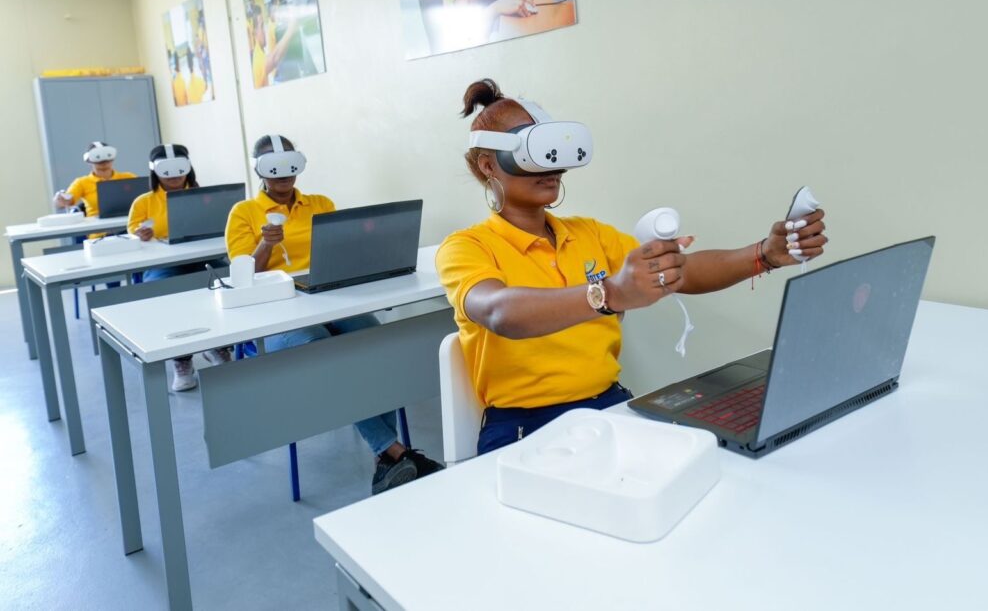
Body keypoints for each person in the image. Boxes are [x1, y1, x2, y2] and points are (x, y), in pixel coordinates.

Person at [436, 79, 830, 454]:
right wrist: (609, 293)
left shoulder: (589, 233)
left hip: (609, 406)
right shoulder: (467, 247)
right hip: (525, 427)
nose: (551, 165)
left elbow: (680, 272)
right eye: (533, 151)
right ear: (488, 166)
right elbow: (500, 312)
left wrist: (764, 254)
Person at [224, 134, 443, 494]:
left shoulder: (320, 203)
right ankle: (393, 452)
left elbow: (341, 250)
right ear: (258, 169)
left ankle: (387, 459)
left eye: (289, 166)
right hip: (276, 311)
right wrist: (266, 244)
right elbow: (244, 278)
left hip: (327, 297)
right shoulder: (243, 212)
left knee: (374, 342)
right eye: (273, 168)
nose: (283, 175)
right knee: (326, 351)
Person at [127, 144, 230, 391]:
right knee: (163, 292)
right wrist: (140, 235)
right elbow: (131, 232)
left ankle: (218, 346)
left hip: (203, 257)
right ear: (155, 171)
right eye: (167, 171)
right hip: (165, 264)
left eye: (179, 170)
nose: (174, 177)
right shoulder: (144, 202)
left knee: (228, 280)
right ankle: (182, 359)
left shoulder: (205, 196)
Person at [53, 141, 138, 219]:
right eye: (97, 157)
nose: (104, 161)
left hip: (129, 223)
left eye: (107, 157)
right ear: (88, 160)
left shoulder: (128, 177)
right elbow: (66, 201)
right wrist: (61, 199)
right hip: (97, 227)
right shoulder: (82, 182)